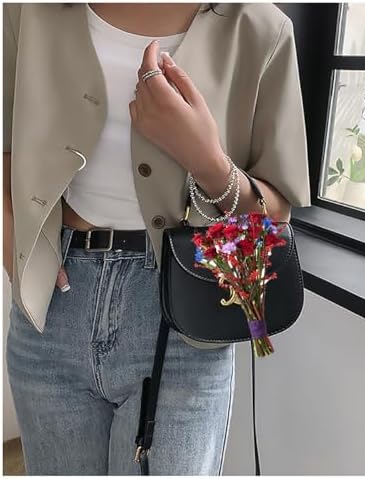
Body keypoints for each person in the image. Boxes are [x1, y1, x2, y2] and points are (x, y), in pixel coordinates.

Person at [3, 2, 311, 475]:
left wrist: (206, 160)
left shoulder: (259, 29)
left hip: (186, 322)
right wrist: (13, 250)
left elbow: (274, 215)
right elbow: (7, 147)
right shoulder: (29, 11)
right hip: (53, 309)